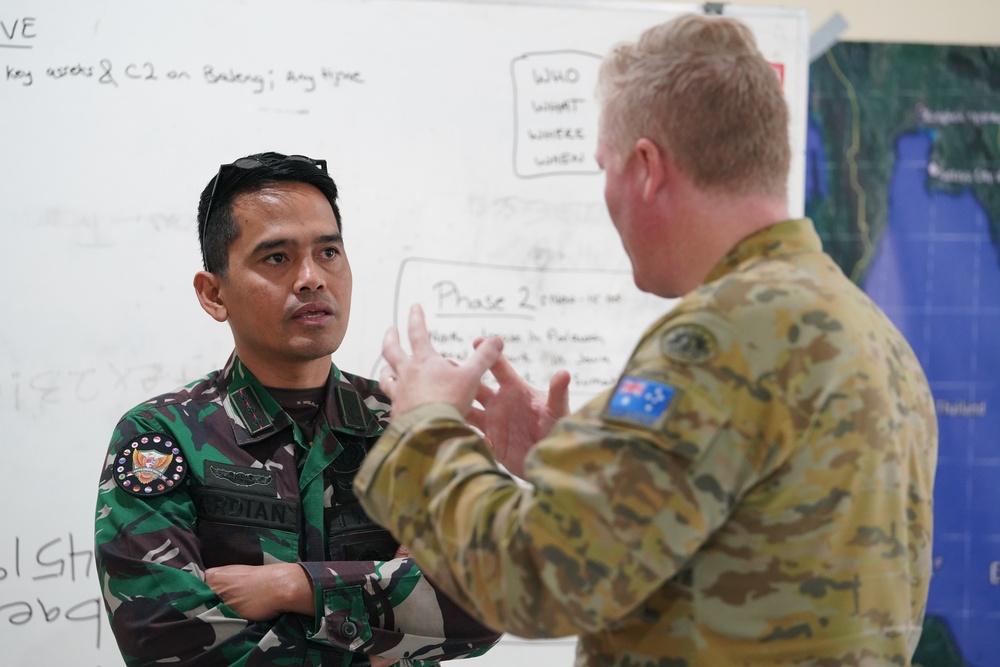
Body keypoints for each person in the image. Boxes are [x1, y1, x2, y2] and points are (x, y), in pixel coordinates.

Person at [353, 13, 939, 667]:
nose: (608, 191)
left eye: (605, 166)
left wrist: (426, 428)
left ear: (646, 166)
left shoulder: (723, 338)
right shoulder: (869, 333)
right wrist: (587, 465)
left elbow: (536, 582)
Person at [94, 152, 501, 667]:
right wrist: (384, 626)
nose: (312, 278)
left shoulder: (404, 422)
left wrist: (296, 585)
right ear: (214, 293)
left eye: (328, 252)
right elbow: (166, 639)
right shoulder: (162, 435)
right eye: (277, 258)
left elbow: (484, 608)